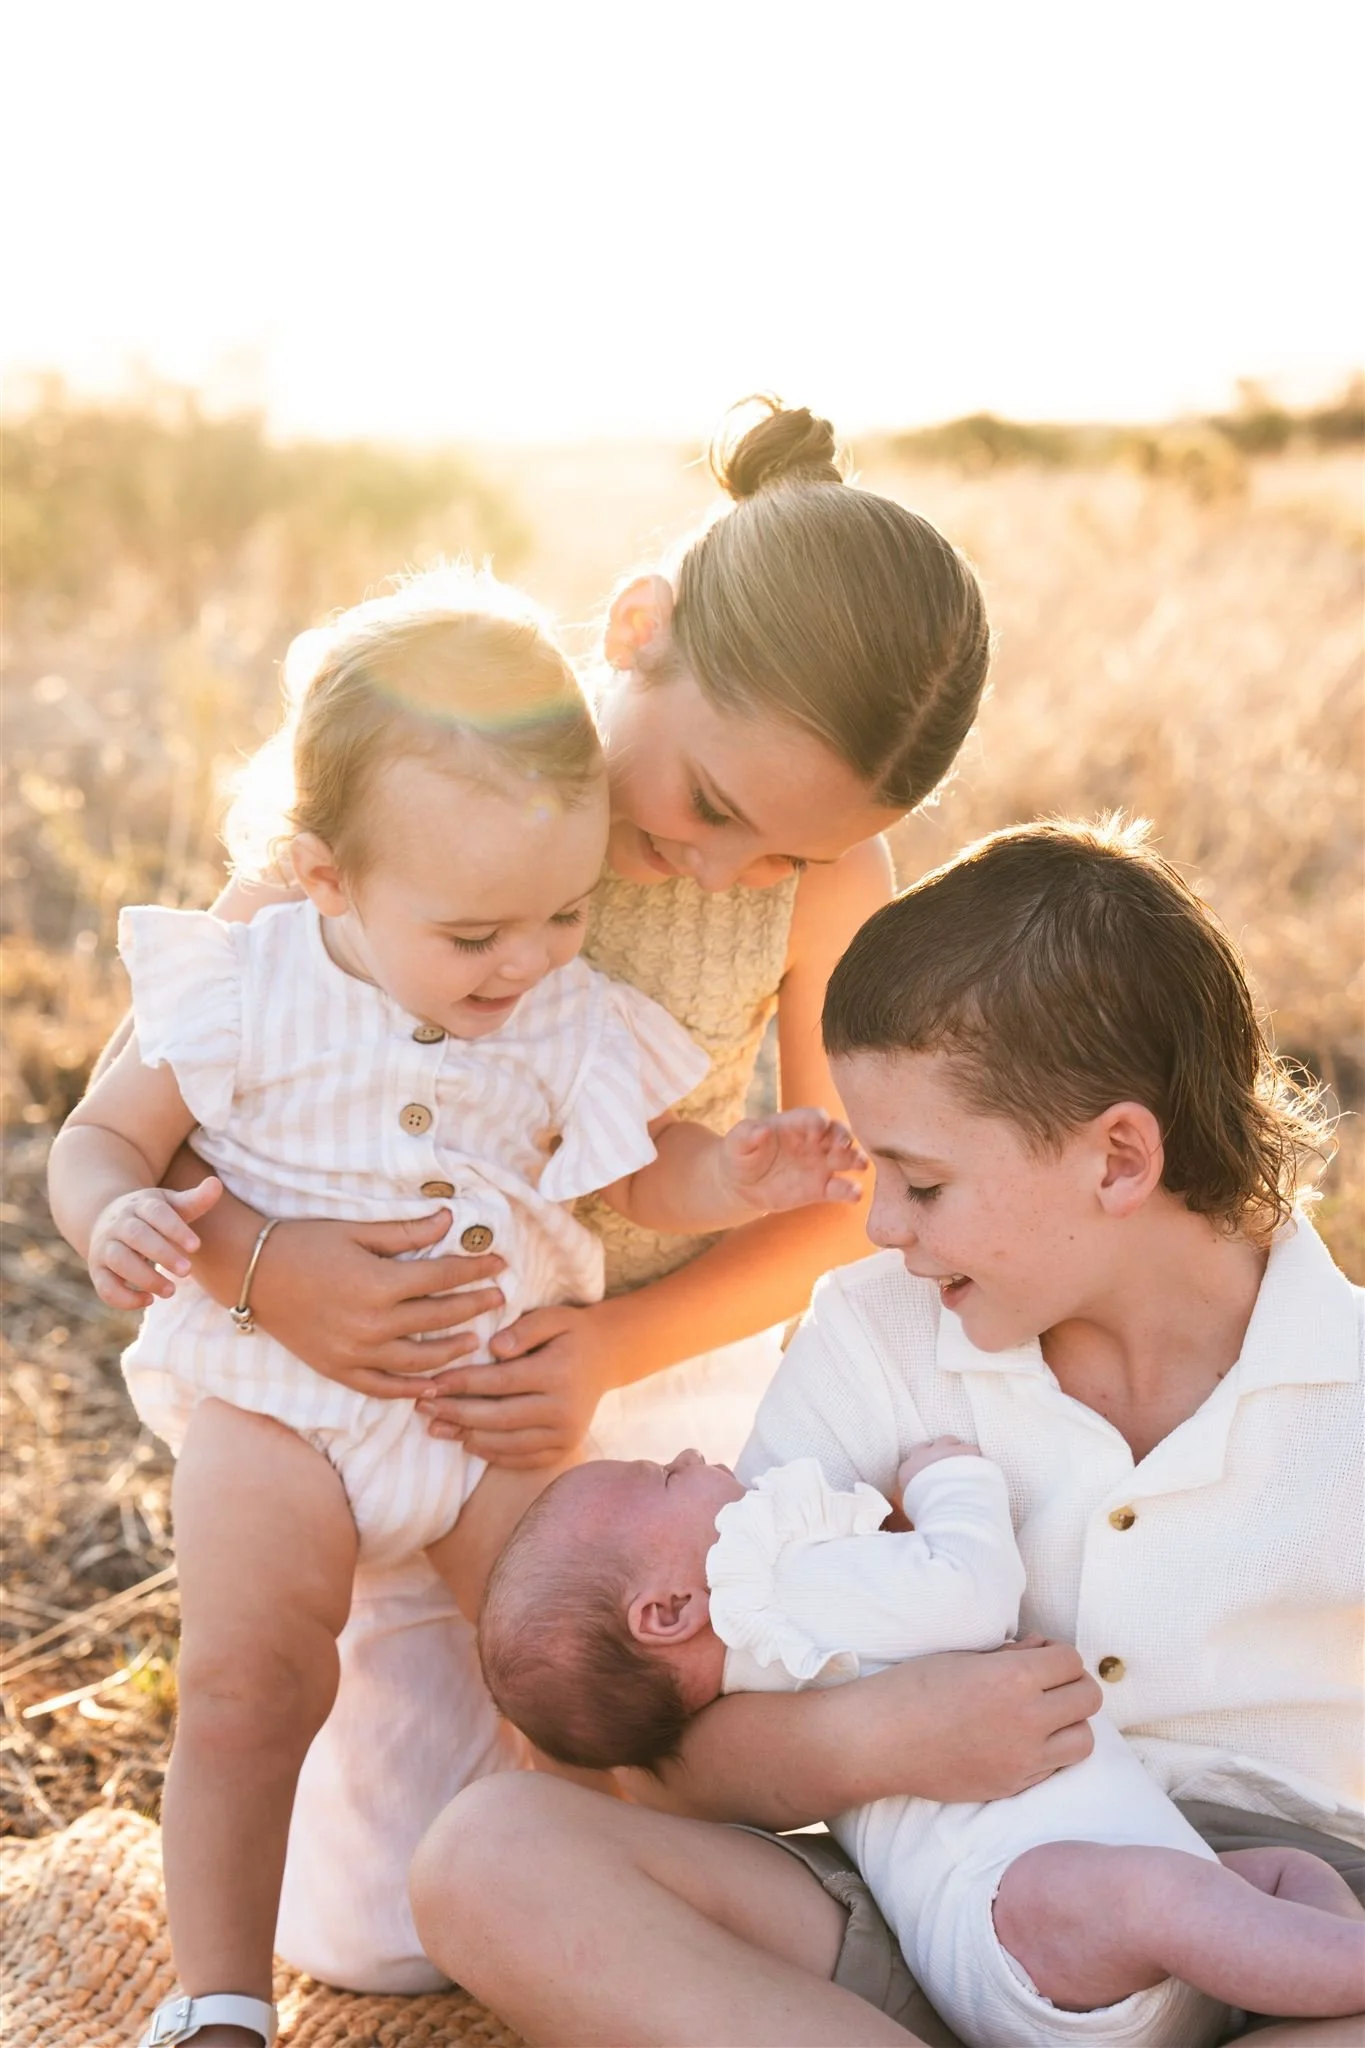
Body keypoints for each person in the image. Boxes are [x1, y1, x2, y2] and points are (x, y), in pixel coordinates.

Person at [104, 399, 1090, 1996]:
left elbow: (846, 1197)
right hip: (377, 1359)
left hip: (644, 1370)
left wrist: (605, 1358)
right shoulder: (444, 763)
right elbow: (160, 1100)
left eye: (777, 858)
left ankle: (834, 1834)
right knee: (378, 1933)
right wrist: (267, 1266)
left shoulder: (830, 875)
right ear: (638, 631)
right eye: (709, 805)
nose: (717, 873)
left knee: (622, 1719)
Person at [47, 568, 869, 2048]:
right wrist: (120, 1214)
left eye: (563, 913)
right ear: (327, 879)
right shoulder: (238, 979)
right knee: (245, 1678)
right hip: (275, 1403)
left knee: (576, 1667)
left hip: (490, 1408)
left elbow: (647, 1169)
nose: (531, 959)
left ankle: (618, 1926)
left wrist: (744, 1170)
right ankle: (217, 2000)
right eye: (479, 933)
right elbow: (97, 1140)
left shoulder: (565, 1008)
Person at [410, 819, 1363, 2048]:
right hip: (929, 1906)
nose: (879, 1228)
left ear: (1119, 1157)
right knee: (489, 1855)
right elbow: (682, 1739)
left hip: (1283, 1934)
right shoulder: (880, 1334)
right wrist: (880, 1737)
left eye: (921, 1181)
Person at [478, 1436, 1363, 2045]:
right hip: (1014, 1925)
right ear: (666, 1612)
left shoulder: (766, 1630)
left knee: (1279, 1880)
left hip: (1107, 1930)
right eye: (661, 1475)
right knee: (1157, 1897)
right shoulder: (785, 1586)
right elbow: (968, 1592)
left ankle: (1318, 1981)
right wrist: (951, 1482)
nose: (688, 1455)